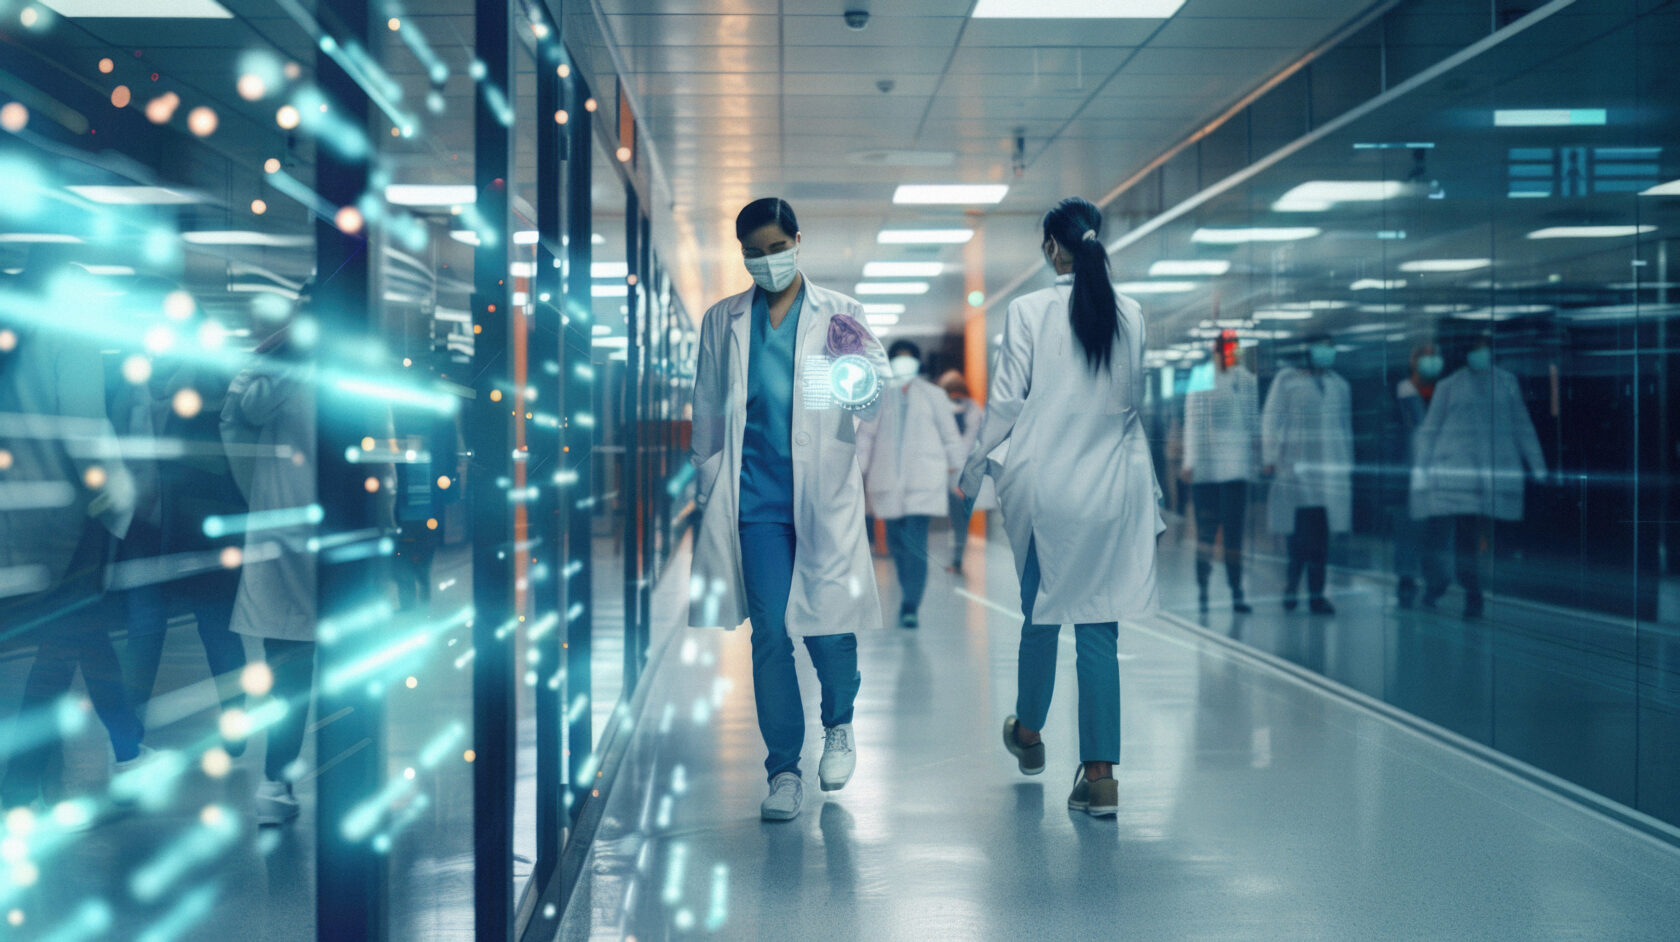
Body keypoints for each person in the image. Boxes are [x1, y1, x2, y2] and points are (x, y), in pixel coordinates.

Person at [958, 196, 1162, 819]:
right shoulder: (1131, 313)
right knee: (1099, 627)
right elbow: (1132, 400)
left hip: (1050, 489)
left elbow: (1008, 404)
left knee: (1041, 616)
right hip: (1112, 492)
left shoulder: (1029, 311)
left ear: (1053, 247)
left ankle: (1029, 734)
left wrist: (973, 466)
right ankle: (1100, 778)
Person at [687, 198, 891, 822]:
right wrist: (706, 479)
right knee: (771, 632)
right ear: (742, 254)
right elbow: (707, 407)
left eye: (777, 247)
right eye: (754, 251)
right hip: (752, 500)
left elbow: (873, 400)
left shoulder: (840, 314)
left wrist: (855, 363)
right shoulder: (723, 320)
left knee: (829, 623)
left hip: (823, 493)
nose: (767, 260)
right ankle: (782, 771)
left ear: (799, 241)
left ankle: (839, 723)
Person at [0, 250, 146, 812]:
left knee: (79, 632)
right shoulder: (70, 336)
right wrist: (116, 498)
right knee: (66, 641)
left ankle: (127, 746)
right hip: (64, 519)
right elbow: (84, 431)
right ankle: (20, 784)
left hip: (12, 516)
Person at [221, 308, 320, 826]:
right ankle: (353, 779)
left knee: (289, 664)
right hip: (334, 535)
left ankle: (275, 780)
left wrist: (256, 497)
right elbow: (381, 459)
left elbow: (233, 425)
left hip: (278, 527)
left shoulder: (265, 373)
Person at [1411, 336, 1546, 618]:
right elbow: (1430, 430)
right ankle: (1472, 593)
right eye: (1475, 349)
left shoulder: (1507, 382)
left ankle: (1468, 588)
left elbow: (1523, 426)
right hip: (1457, 474)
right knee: (1466, 537)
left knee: (1479, 537)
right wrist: (1421, 471)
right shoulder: (1450, 386)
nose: (1480, 354)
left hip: (1494, 473)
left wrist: (1538, 466)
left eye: (1484, 348)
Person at [856, 340, 964, 627]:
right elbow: (865, 437)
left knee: (915, 543)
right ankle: (908, 593)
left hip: (923, 480)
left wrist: (959, 475)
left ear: (918, 363)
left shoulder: (933, 395)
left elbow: (950, 436)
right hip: (887, 481)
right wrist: (857, 473)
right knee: (896, 543)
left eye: (908, 358)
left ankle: (910, 604)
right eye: (898, 359)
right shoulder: (877, 396)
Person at [1261, 333, 1354, 615]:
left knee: (1320, 542)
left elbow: (1345, 428)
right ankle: (1291, 586)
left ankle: (1316, 595)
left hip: (1329, 474)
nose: (1326, 354)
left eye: (1330, 348)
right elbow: (1270, 419)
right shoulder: (1287, 381)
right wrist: (1270, 458)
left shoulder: (1339, 386)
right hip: (1296, 470)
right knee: (1299, 539)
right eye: (1321, 348)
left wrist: (1347, 468)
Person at [1180, 330, 1258, 614]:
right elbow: (1192, 422)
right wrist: (1189, 462)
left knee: (1234, 535)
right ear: (1216, 351)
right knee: (1206, 533)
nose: (1230, 355)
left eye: (1234, 349)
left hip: (1236, 469)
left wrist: (1256, 459)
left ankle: (1237, 591)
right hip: (1206, 469)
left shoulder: (1247, 381)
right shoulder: (1202, 377)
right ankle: (1203, 588)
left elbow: (1253, 423)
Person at [1393, 343, 1442, 608]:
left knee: (1435, 536)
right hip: (1408, 477)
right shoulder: (1400, 395)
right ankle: (1406, 580)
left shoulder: (1443, 393)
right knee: (1408, 533)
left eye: (1436, 358)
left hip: (1438, 478)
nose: (1433, 363)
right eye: (1427, 358)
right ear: (1414, 362)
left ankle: (1434, 584)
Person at [937, 370, 995, 573]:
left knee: (958, 522)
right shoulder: (975, 409)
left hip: (952, 475)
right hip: (968, 474)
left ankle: (957, 560)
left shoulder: (941, 410)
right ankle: (957, 559)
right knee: (961, 522)